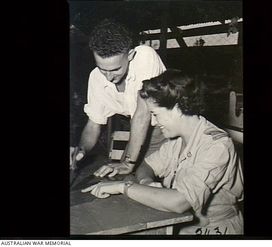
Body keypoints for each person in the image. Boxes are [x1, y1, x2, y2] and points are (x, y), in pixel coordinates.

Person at [82, 70, 244, 235]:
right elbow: (146, 166)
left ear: (177, 108)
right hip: (180, 223)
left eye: (156, 114)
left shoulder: (217, 146)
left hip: (213, 229)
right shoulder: (179, 140)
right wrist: (146, 181)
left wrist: (123, 187)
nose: (155, 121)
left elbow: (179, 202)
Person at [70, 18, 166, 175]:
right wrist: (80, 151)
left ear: (130, 55)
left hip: (172, 131)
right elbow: (94, 123)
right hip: (141, 134)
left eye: (115, 69)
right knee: (127, 176)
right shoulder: (96, 78)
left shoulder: (144, 56)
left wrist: (128, 162)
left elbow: (142, 114)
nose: (109, 77)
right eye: (102, 69)